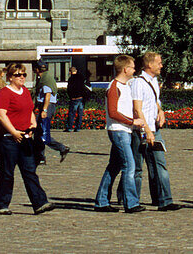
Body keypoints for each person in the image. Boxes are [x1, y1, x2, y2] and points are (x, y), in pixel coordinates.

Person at [0, 62, 54, 215]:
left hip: (25, 137)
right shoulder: (4, 93)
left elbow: (29, 111)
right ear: (10, 77)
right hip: (9, 139)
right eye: (17, 75)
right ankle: (1, 204)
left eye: (24, 74)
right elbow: (1, 114)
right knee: (7, 172)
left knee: (29, 170)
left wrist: (32, 124)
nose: (21, 77)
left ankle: (40, 203)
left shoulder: (25, 91)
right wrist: (13, 132)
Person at [130, 52, 182, 211]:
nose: (161, 65)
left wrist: (160, 111)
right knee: (137, 167)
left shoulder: (154, 81)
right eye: (159, 63)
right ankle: (131, 200)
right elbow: (137, 109)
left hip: (154, 128)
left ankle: (164, 200)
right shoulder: (138, 83)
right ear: (149, 65)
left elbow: (155, 101)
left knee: (159, 164)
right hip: (141, 130)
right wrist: (147, 131)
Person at [94, 54, 145, 213]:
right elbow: (113, 112)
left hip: (124, 131)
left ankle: (102, 201)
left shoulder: (125, 86)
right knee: (129, 166)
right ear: (125, 69)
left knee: (114, 166)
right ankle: (131, 203)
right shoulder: (114, 86)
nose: (134, 70)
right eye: (132, 67)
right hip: (118, 131)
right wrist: (132, 121)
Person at [33, 60, 69, 163]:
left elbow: (47, 95)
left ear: (37, 69)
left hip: (47, 107)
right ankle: (40, 157)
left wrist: (44, 110)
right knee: (38, 131)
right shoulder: (42, 78)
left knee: (43, 132)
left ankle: (62, 148)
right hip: (44, 106)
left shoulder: (46, 79)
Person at [66, 66, 89, 132]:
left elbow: (69, 89)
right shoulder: (81, 77)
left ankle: (69, 127)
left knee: (71, 113)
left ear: (70, 72)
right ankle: (78, 127)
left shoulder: (71, 79)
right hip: (81, 98)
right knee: (80, 113)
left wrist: (70, 96)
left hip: (74, 98)